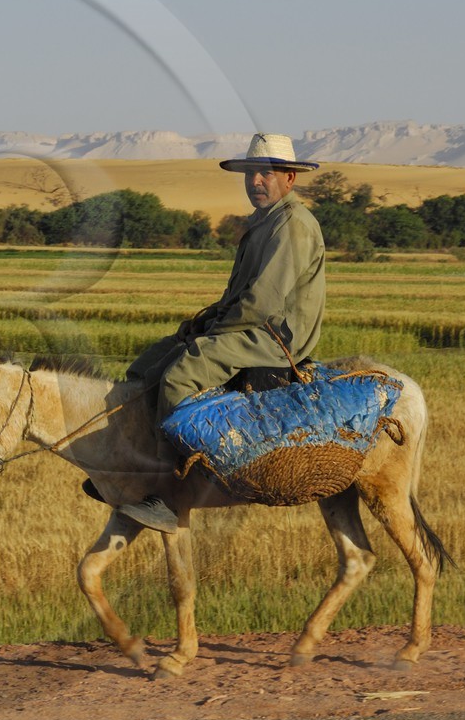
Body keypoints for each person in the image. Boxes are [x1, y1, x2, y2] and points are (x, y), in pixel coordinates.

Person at [115, 133, 326, 532]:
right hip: (250, 325)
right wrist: (203, 320)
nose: (256, 182)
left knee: (181, 373)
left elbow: (261, 302)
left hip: (275, 338)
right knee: (148, 365)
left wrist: (212, 330)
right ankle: (133, 468)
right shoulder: (266, 222)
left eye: (265, 173)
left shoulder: (293, 225)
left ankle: (170, 494)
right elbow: (238, 295)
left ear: (290, 179)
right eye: (250, 173)